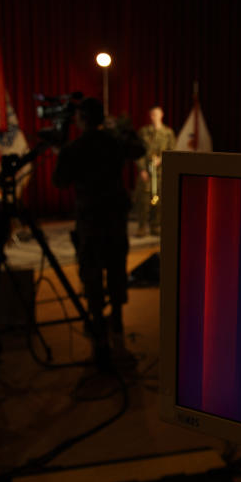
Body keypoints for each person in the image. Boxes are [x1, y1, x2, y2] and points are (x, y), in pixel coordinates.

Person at [52, 97, 145, 369]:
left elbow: (59, 181)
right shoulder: (114, 143)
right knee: (116, 274)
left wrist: (61, 150)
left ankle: (99, 338)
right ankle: (117, 328)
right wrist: (124, 128)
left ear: (81, 119)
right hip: (114, 220)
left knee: (92, 278)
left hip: (90, 223)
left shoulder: (75, 147)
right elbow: (138, 150)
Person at [134, 106, 176, 237]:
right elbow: (137, 151)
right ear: (149, 115)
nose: (154, 116)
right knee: (143, 200)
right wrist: (142, 170)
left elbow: (172, 151)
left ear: (161, 115)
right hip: (146, 172)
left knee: (157, 199)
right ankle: (141, 226)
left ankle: (155, 225)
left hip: (160, 173)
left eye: (156, 114)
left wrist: (161, 160)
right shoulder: (143, 132)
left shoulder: (168, 132)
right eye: (152, 114)